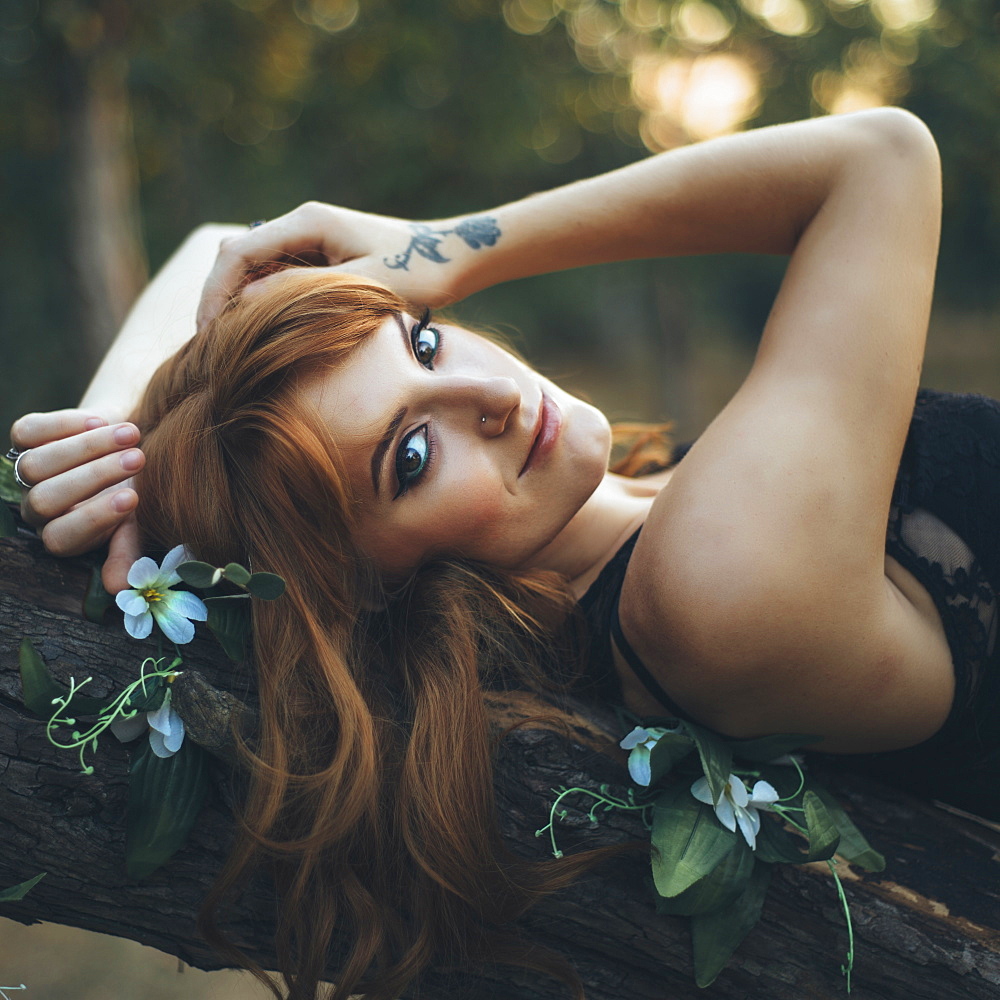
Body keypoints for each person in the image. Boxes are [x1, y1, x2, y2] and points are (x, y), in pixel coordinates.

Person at [13, 107, 992, 998]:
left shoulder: (657, 515)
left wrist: (126, 441)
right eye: (411, 455)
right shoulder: (710, 589)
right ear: (367, 587)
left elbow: (222, 254)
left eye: (424, 339)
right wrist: (450, 251)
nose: (488, 396)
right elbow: (880, 159)